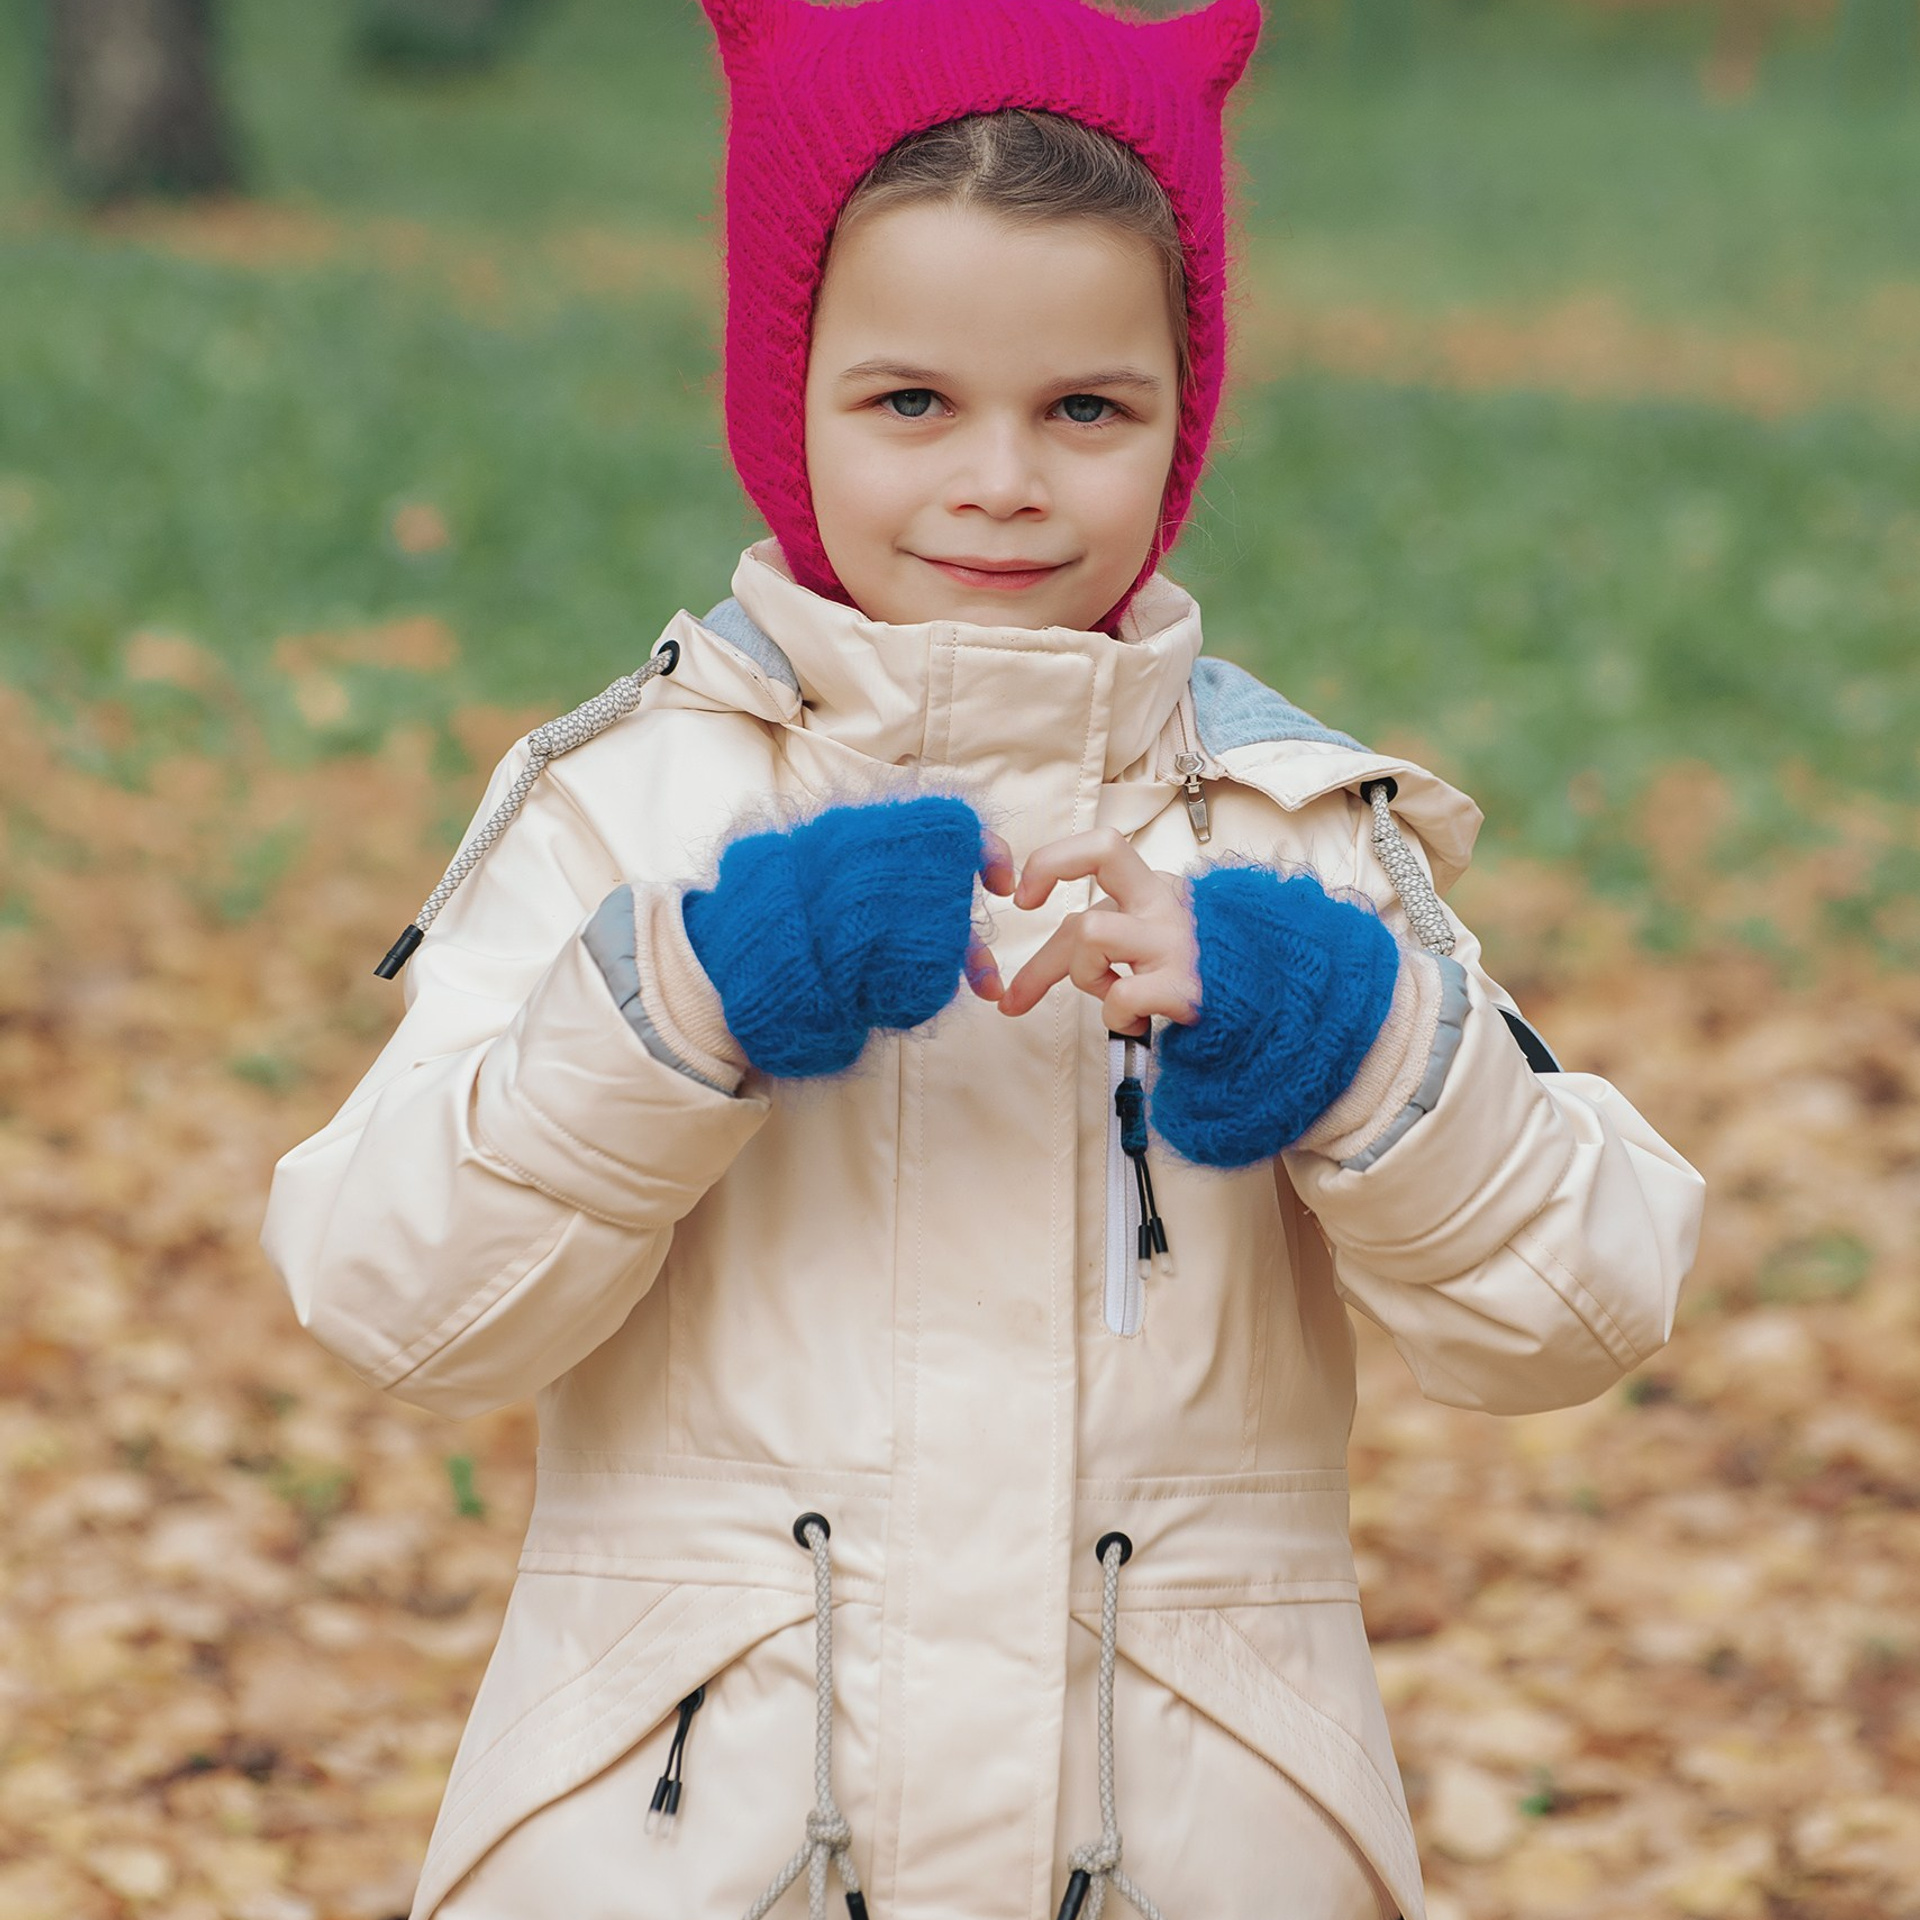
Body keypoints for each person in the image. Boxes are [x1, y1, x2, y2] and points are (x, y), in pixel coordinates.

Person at [261, 0, 1704, 1915]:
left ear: (1184, 416)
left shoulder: (1287, 829)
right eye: (912, 401)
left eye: (1085, 409)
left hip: (1192, 1829)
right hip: (694, 1829)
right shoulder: (633, 812)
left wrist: (1350, 1040)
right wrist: (692, 999)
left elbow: (1580, 1307)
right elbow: (395, 1296)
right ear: (784, 391)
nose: (1003, 481)